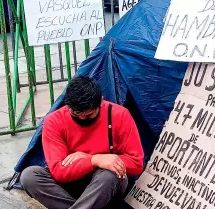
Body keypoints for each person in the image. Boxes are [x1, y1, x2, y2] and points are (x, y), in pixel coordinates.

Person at [20, 76, 144, 209]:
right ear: (68, 106)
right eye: (75, 114)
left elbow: (136, 163)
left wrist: (92, 159)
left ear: (101, 103)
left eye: (89, 115)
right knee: (29, 176)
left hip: (105, 186)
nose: (82, 119)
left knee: (110, 175)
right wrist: (94, 160)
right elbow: (58, 171)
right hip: (71, 183)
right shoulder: (54, 121)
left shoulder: (119, 115)